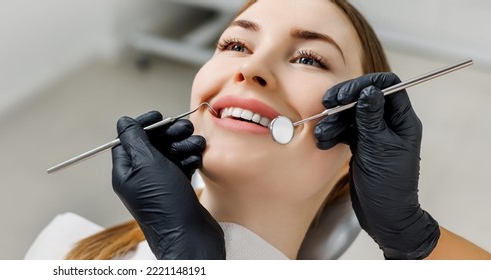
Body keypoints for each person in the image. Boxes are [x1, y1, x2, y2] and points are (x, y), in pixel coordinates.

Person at [25, 0, 491, 260]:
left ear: (358, 146)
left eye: (310, 58)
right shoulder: (62, 248)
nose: (252, 68)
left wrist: (414, 238)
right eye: (235, 44)